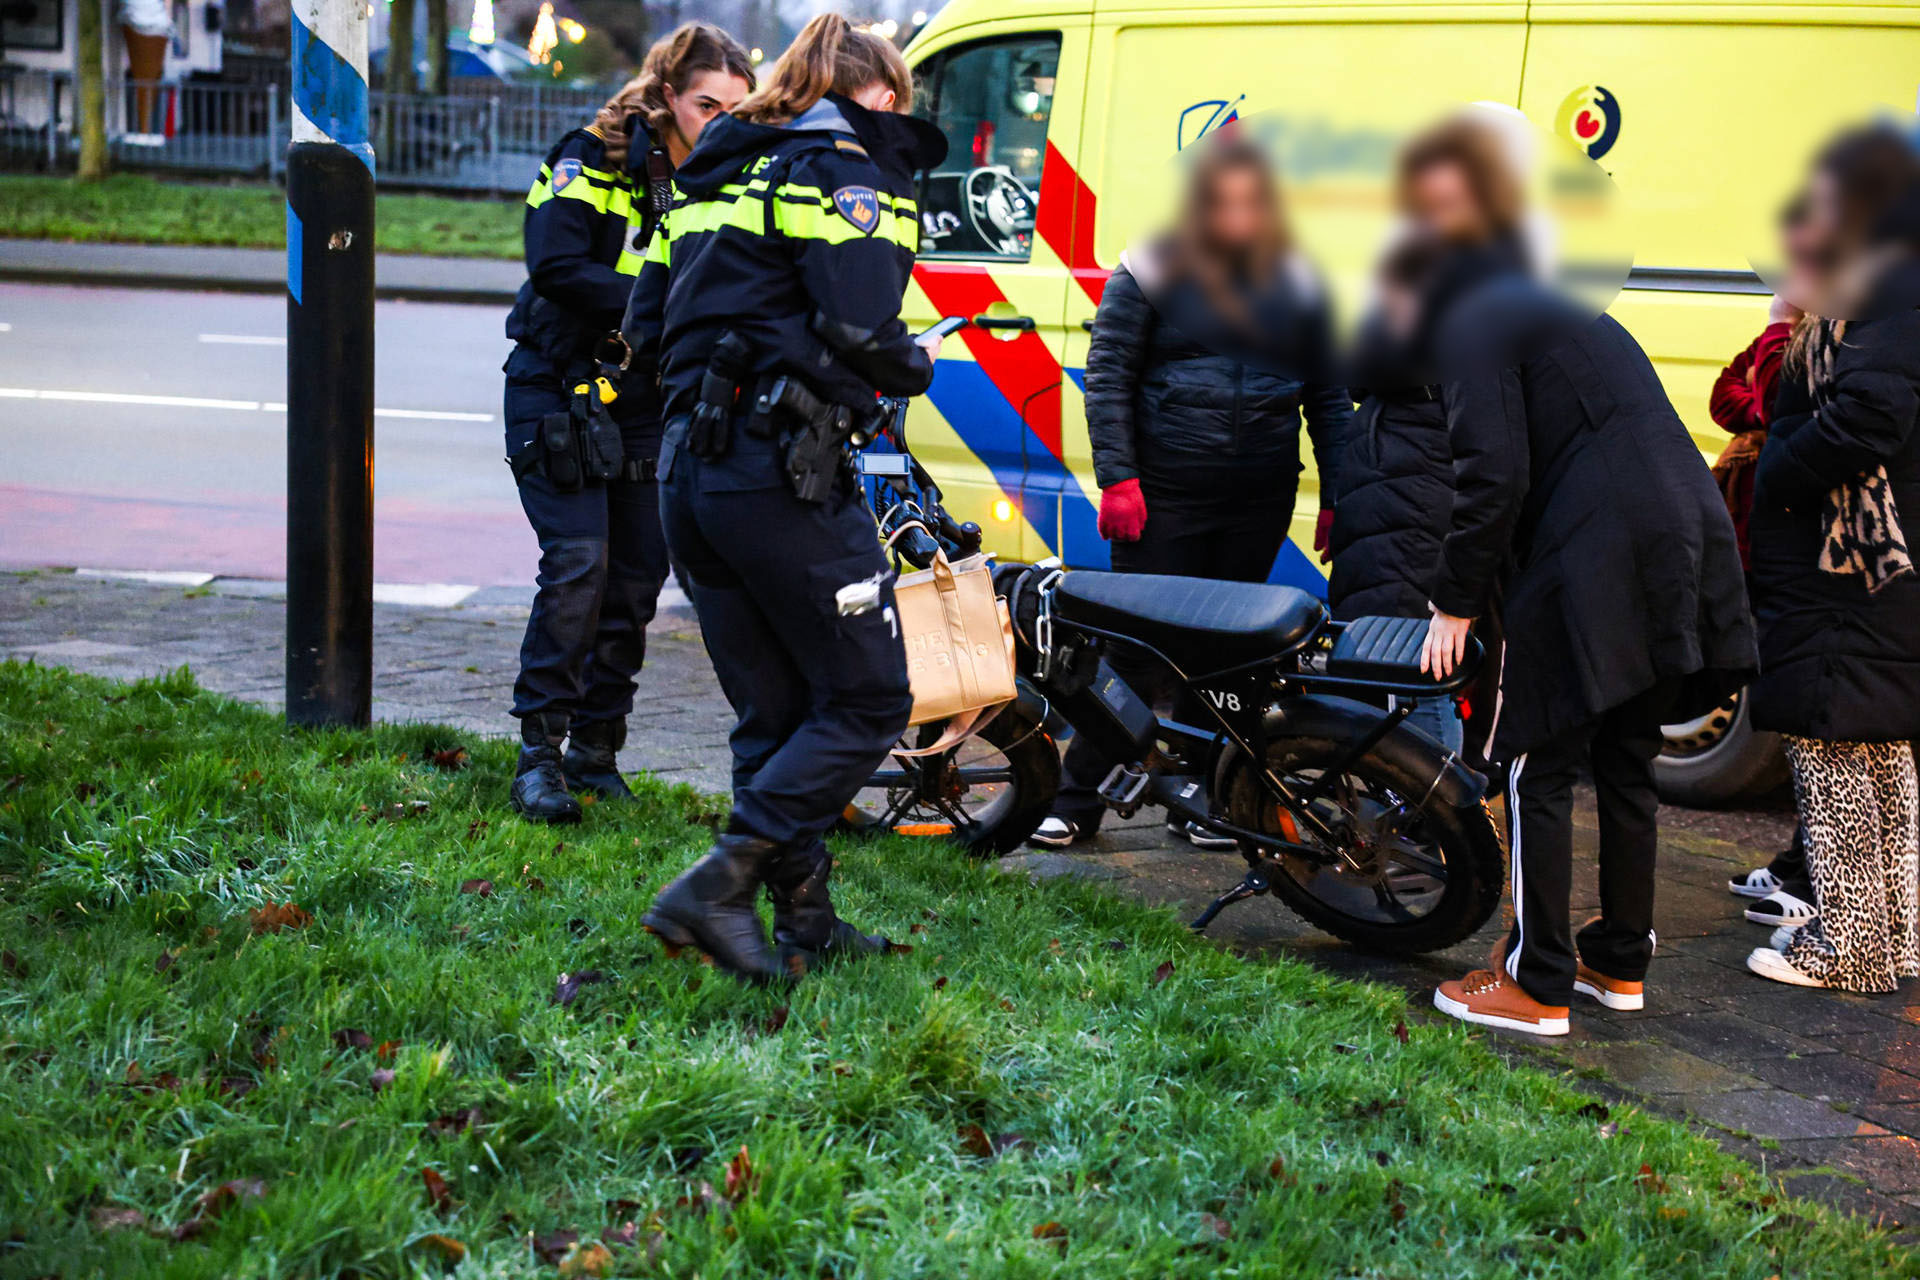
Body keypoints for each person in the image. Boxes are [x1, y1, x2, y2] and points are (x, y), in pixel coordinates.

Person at [1400, 114, 1757, 1036]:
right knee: (1626, 759)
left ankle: (1538, 981)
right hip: (1680, 541)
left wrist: (1451, 602)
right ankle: (1617, 962)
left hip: (1596, 550)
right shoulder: (1568, 307)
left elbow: (1493, 473)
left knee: (1536, 762)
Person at [623, 14, 947, 982]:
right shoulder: (839, 170)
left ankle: (804, 920)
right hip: (780, 475)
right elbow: (862, 322)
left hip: (691, 474)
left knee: (774, 709)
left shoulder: (708, 175)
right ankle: (718, 883)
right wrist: (913, 364)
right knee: (868, 694)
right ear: (878, 94)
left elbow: (644, 324)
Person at [1028, 134, 1351, 850]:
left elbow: (1328, 396)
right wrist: (1119, 480)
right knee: (1135, 650)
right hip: (1163, 494)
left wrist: (1338, 493)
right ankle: (1074, 798)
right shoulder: (1149, 267)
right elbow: (1108, 374)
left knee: (1227, 654)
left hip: (1258, 496)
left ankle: (1200, 798)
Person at [501, 26, 754, 825]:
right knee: (579, 564)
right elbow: (556, 267)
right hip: (558, 388)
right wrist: (668, 299)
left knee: (638, 579)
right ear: (668, 95)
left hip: (645, 400)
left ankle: (595, 751)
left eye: (735, 109)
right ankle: (538, 757)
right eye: (706, 104)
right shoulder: (590, 157)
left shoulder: (721, 178)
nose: (718, 122)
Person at [1742, 125, 1920, 993]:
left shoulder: (1887, 296)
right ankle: (1895, 937)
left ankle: (1848, 948)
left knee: (1833, 751)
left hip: (1845, 577)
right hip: (1869, 576)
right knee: (1880, 753)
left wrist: (1778, 469)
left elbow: (1869, 417)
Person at [1325, 230, 1462, 755]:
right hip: (1404, 524)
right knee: (1413, 668)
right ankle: (1432, 792)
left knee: (1410, 671)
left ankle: (1435, 797)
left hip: (1403, 527)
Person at [1711, 300, 1819, 932]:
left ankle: (1824, 884)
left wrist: (1779, 331)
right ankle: (1806, 864)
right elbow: (1725, 398)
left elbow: (1781, 405)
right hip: (1767, 544)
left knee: (1834, 730)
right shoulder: (1804, 337)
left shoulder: (1844, 335)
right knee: (1810, 725)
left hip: (1814, 554)